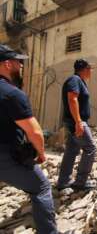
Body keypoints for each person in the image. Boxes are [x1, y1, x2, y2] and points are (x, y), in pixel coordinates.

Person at [0, 44, 57, 233]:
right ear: (7, 64)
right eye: (18, 62)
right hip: (6, 156)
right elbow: (35, 132)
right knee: (41, 188)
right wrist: (41, 153)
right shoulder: (13, 94)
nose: (22, 66)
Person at [57, 59, 97, 191]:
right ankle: (80, 182)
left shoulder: (79, 81)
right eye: (90, 68)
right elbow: (72, 98)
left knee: (71, 151)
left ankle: (63, 181)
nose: (91, 71)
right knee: (90, 148)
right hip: (76, 122)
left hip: (73, 121)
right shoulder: (74, 80)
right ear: (85, 69)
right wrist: (78, 122)